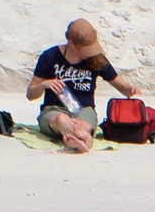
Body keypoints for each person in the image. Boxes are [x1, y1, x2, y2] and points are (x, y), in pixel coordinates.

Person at [27, 18, 142, 152]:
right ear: (71, 43)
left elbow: (121, 86)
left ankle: (77, 137)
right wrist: (44, 84)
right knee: (61, 120)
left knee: (84, 125)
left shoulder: (96, 59)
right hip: (54, 109)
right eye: (85, 50)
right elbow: (30, 94)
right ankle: (84, 139)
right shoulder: (50, 56)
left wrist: (129, 89)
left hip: (84, 110)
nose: (89, 53)